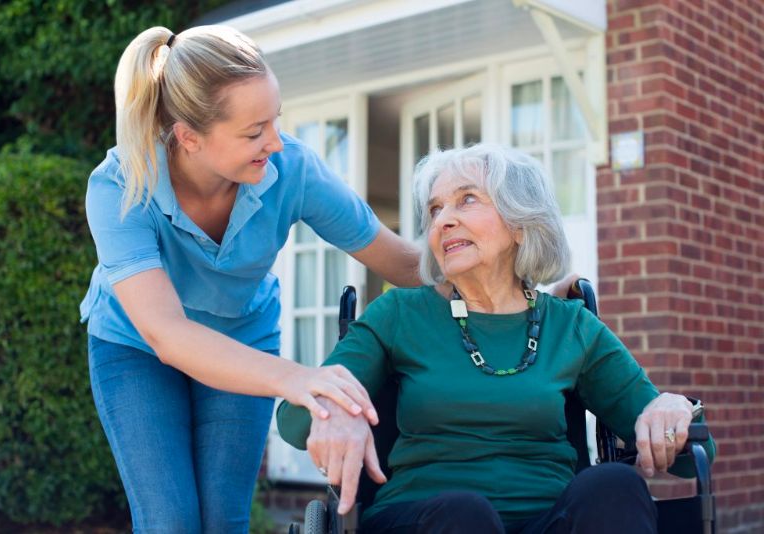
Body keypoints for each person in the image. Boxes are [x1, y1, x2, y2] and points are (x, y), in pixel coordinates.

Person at [80, 25, 422, 533]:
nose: (274, 141)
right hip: (137, 348)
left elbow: (400, 261)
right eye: (253, 131)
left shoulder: (292, 168)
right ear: (189, 136)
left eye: (274, 121)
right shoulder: (120, 188)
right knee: (171, 520)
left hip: (242, 332)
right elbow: (167, 335)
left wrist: (497, 279)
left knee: (223, 520)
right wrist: (299, 379)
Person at [277, 143, 715, 534]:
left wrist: (672, 410)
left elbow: (694, 452)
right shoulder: (400, 314)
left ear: (520, 224)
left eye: (466, 200)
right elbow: (295, 423)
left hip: (549, 517)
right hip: (428, 518)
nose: (444, 221)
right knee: (464, 513)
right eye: (435, 210)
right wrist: (336, 407)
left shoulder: (570, 327)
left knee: (616, 486)